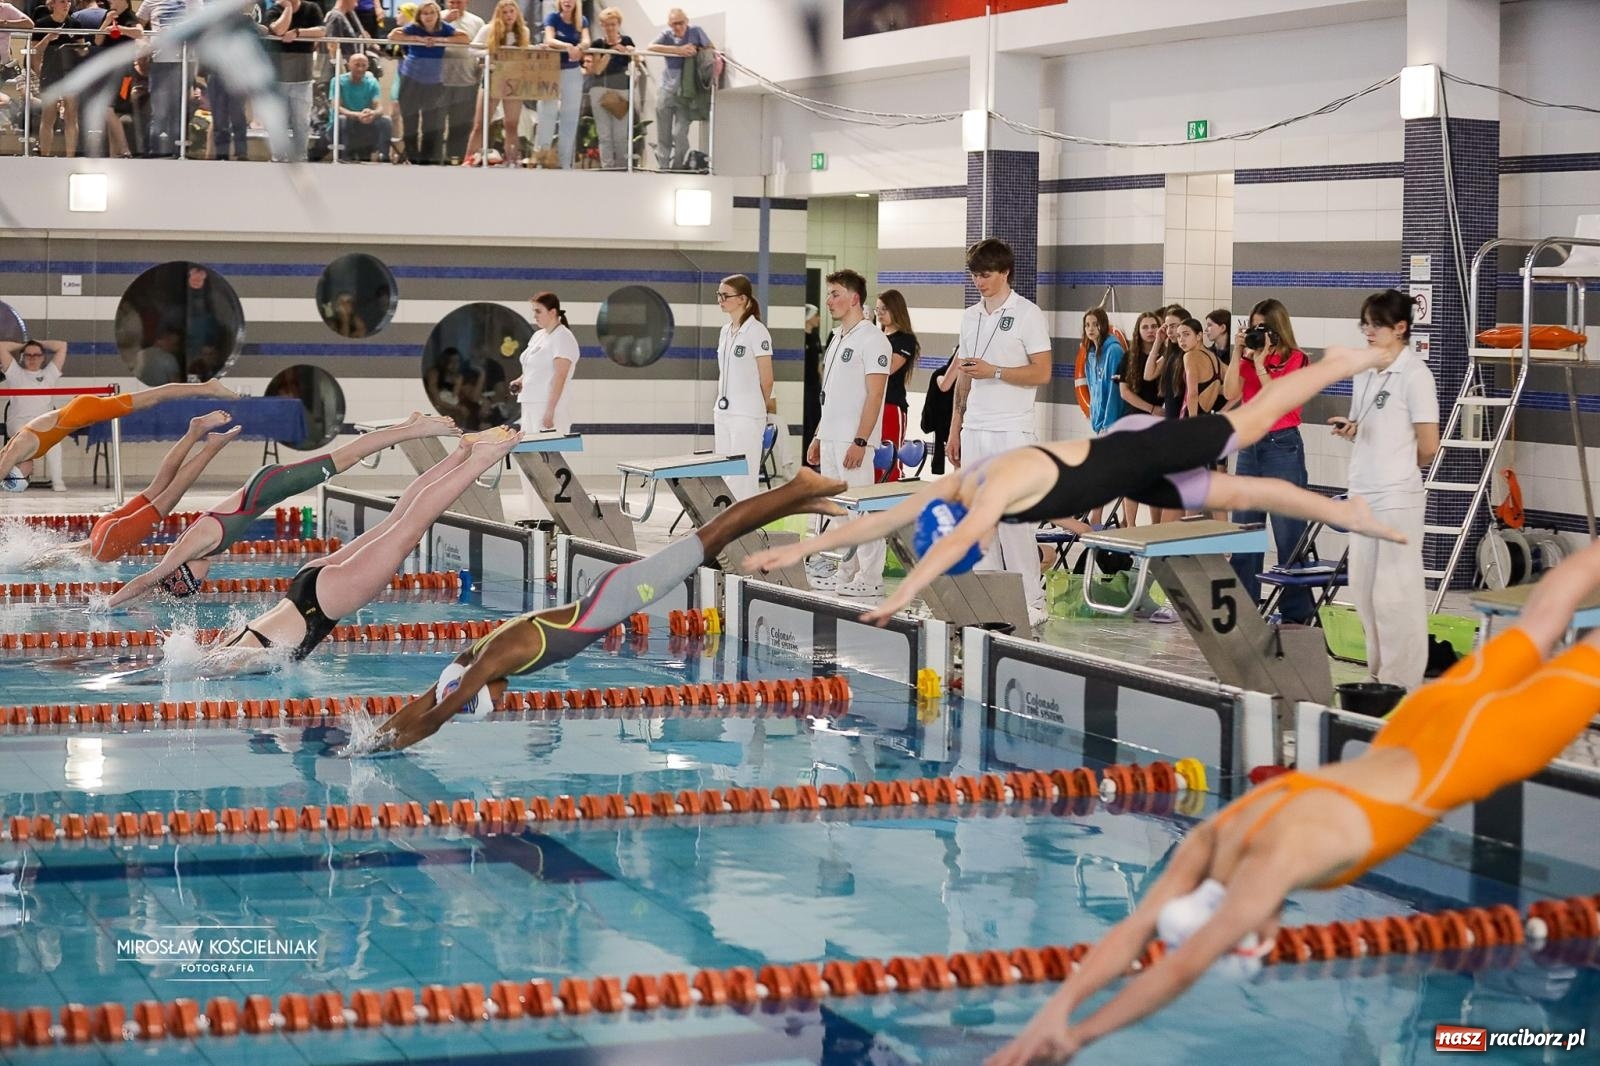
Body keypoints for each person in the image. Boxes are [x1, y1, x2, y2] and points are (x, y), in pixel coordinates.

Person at [984, 535, 1600, 1066]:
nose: (1269, 929)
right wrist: (1055, 1014)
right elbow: (1136, 932)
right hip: (1418, 723)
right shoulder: (1222, 829)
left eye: (1251, 938)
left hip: (1473, 750)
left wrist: (1076, 1036)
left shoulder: (1274, 860)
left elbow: (1178, 966)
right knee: (1547, 613)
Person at [747, 343, 1408, 626]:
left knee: (1253, 419)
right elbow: (877, 521)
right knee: (1248, 498)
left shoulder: (997, 484)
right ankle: (1347, 512)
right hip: (1138, 478)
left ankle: (1342, 363)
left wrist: (904, 597)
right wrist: (796, 551)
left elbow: (952, 547)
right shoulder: (958, 486)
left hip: (1143, 447)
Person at [374, 466, 850, 751]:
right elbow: (429, 700)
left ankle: (798, 486)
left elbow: (437, 715)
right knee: (712, 540)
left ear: (481, 692)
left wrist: (387, 749)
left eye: (491, 705)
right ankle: (807, 499)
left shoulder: (493, 661)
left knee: (714, 536)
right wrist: (373, 741)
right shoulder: (470, 662)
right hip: (610, 596)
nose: (502, 704)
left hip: (621, 595)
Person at [199, 426, 520, 673]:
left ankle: (480, 459)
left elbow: (252, 660)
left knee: (408, 530)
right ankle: (462, 453)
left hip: (319, 605)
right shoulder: (220, 653)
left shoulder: (223, 664)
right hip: (304, 587)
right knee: (399, 521)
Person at [106, 413, 458, 607]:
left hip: (268, 487)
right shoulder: (198, 554)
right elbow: (155, 586)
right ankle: (407, 424)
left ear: (183, 573)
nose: (202, 582)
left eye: (193, 585)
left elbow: (148, 578)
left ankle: (416, 429)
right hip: (265, 489)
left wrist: (109, 605)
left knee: (345, 457)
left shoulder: (186, 549)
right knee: (345, 459)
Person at [1334, 289, 1440, 690]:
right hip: (1362, 490)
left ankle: (1402, 682)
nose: (1369, 331)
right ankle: (1378, 674)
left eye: (1376, 325)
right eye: (1365, 323)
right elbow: (1365, 421)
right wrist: (1352, 429)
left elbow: (1429, 444)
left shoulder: (1416, 375)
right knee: (1363, 588)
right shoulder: (1365, 370)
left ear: (1401, 328)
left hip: (1397, 496)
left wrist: (1397, 468)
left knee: (1396, 593)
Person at [946, 238, 1052, 628]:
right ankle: (991, 599)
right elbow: (964, 378)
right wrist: (955, 427)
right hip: (975, 427)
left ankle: (1032, 599)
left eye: (986, 274)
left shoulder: (1028, 314)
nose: (980, 281)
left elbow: (1042, 372)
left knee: (1014, 519)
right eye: (975, 274)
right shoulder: (970, 316)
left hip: (1012, 429)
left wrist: (997, 372)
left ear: (1005, 272)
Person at [29, 411, 241, 567]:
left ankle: (211, 447)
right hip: (100, 531)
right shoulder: (37, 556)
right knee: (159, 486)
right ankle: (193, 432)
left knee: (171, 493)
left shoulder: (35, 567)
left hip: (107, 545)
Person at [1222, 297, 1315, 624]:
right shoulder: (1247, 358)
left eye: (1264, 328)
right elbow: (1230, 391)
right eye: (1254, 327)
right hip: (1251, 447)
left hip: (1282, 447)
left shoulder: (1298, 359)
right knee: (1245, 531)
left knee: (1289, 534)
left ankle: (1297, 614)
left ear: (1278, 329)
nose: (1259, 334)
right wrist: (1238, 352)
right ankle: (1245, 609)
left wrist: (1262, 365)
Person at [806, 268, 890, 598]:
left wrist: (860, 440)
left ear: (854, 298)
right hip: (831, 438)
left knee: (862, 510)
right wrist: (818, 435)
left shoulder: (873, 340)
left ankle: (871, 575)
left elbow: (875, 394)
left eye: (835, 294)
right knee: (838, 510)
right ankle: (848, 568)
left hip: (854, 441)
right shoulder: (838, 337)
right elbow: (832, 393)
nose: (828, 301)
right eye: (828, 294)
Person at [0, 377, 234, 492]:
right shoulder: (20, 450)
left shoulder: (20, 448)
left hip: (83, 412)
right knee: (150, 400)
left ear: (17, 471)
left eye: (26, 479)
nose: (31, 475)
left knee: (153, 397)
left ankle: (208, 387)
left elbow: (2, 466)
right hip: (82, 413)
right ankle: (205, 388)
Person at [712, 273, 773, 501]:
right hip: (724, 413)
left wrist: (758, 409)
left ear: (742, 299)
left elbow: (767, 380)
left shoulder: (757, 331)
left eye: (725, 295)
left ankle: (745, 529)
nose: (720, 299)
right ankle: (727, 525)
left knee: (742, 478)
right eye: (718, 294)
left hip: (747, 415)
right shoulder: (725, 331)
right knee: (725, 473)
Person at [388, 0, 468, 164]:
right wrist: (416, 38)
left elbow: (465, 38)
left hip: (433, 82)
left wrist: (442, 41)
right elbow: (393, 35)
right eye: (425, 13)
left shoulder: (443, 27)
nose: (429, 16)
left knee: (430, 122)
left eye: (432, 13)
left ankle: (426, 158)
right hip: (410, 79)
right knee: (410, 121)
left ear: (437, 14)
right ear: (419, 16)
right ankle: (412, 157)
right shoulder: (414, 27)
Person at [465, 0, 528, 167]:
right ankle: (469, 159)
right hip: (492, 77)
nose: (508, 15)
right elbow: (471, 49)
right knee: (480, 123)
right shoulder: (488, 29)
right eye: (505, 12)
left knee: (512, 124)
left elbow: (526, 53)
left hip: (514, 81)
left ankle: (512, 160)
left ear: (517, 13)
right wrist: (491, 52)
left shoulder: (523, 31)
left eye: (511, 12)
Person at [0, 338, 69, 491]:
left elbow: (62, 346)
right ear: (22, 356)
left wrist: (37, 342)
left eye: (36, 355)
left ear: (43, 357)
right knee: (24, 437)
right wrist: (24, 344)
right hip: (19, 424)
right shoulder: (14, 373)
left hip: (43, 424)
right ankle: (13, 479)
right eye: (28, 355)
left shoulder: (49, 374)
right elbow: (1, 346)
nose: (32, 359)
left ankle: (57, 481)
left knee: (55, 443)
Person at [646, 6, 708, 171]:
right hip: (667, 87)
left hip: (686, 90)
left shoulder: (695, 31)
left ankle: (678, 166)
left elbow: (710, 49)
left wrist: (696, 50)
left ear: (686, 21)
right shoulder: (666, 35)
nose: (677, 27)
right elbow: (650, 46)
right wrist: (677, 50)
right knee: (663, 133)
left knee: (679, 133)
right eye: (674, 24)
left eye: (680, 23)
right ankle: (664, 167)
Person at [263, 0, 325, 162]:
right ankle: (278, 155)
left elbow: (321, 31)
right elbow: (278, 29)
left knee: (301, 120)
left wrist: (297, 32)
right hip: (278, 77)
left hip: (302, 76)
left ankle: (299, 156)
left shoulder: (312, 8)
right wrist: (288, 8)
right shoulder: (274, 10)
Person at [1080, 307, 1125, 528]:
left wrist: (1108, 423)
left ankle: (1096, 518)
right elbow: (1094, 389)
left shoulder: (1113, 351)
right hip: (1101, 422)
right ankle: (1095, 517)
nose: (1091, 329)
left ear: (1104, 325)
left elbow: (1113, 392)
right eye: (1087, 325)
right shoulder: (1091, 353)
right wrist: (1096, 419)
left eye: (1095, 324)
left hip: (1114, 422)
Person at [510, 291, 578, 434]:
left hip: (547, 405)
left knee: (548, 453)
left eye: (538, 311)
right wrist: (520, 381)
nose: (534, 316)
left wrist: (550, 410)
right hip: (531, 403)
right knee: (532, 452)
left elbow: (560, 375)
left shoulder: (563, 337)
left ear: (552, 312)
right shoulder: (538, 335)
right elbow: (533, 368)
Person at [138, 0, 193, 157]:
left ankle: (179, 152)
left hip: (184, 60)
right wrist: (144, 44)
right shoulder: (151, 1)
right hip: (160, 61)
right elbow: (138, 23)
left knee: (180, 110)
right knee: (159, 111)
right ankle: (156, 151)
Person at [534, 0, 586, 169]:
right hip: (552, 71)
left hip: (573, 72)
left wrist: (581, 46)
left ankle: (565, 163)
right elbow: (549, 39)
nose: (567, 2)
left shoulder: (582, 20)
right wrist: (568, 46)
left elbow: (587, 40)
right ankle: (542, 161)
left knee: (569, 119)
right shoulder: (552, 18)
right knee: (546, 116)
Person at [873, 289, 917, 484]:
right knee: (871, 456)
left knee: (889, 457)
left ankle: (890, 501)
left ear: (896, 310)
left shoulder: (904, 339)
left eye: (884, 309)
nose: (880, 313)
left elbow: (887, 368)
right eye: (877, 309)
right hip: (872, 404)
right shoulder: (876, 337)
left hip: (892, 405)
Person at [584, 6, 633, 169]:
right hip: (600, 91)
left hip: (622, 92)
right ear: (602, 25)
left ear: (619, 24)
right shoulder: (598, 43)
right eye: (607, 24)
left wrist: (630, 52)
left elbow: (636, 61)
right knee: (604, 134)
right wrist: (611, 52)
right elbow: (597, 69)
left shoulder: (627, 41)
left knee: (620, 135)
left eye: (613, 24)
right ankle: (607, 167)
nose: (610, 27)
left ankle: (623, 167)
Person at [30, 0, 79, 158]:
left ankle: (70, 155)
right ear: (53, 4)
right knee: (49, 115)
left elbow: (82, 48)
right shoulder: (42, 23)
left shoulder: (75, 24)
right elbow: (33, 52)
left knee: (71, 115)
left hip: (70, 73)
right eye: (62, 1)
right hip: (50, 71)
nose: (66, 5)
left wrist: (83, 49)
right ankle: (45, 154)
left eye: (69, 2)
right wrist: (48, 38)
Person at [438, 0, 481, 164]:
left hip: (466, 80)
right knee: (436, 124)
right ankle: (434, 159)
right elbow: (426, 35)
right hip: (439, 81)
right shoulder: (437, 17)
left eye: (459, 1)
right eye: (451, 1)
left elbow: (480, 48)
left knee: (461, 126)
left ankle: (455, 159)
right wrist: (444, 22)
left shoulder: (476, 21)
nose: (455, 4)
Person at [329, 51, 391, 160]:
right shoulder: (337, 81)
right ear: (349, 65)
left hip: (365, 121)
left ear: (368, 66)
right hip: (345, 121)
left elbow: (379, 107)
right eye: (357, 65)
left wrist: (372, 113)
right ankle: (344, 157)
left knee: (386, 121)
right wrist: (357, 115)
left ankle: (384, 157)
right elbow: (336, 107)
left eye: (363, 65)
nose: (360, 69)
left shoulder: (372, 82)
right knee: (342, 119)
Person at [920, 345, 956, 476]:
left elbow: (945, 385)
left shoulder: (940, 374)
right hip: (959, 423)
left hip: (949, 426)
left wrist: (940, 379)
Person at [1203, 308, 1233, 373]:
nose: (1206, 330)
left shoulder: (1235, 353)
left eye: (1209, 325)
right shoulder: (1207, 352)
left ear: (1222, 328)